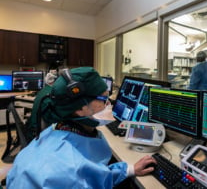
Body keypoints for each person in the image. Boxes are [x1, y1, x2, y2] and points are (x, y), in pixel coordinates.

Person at [6, 67, 157, 188]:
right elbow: (81, 175)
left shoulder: (58, 129)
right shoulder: (68, 170)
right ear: (79, 108)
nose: (109, 104)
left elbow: (92, 174)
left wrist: (130, 169)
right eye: (104, 99)